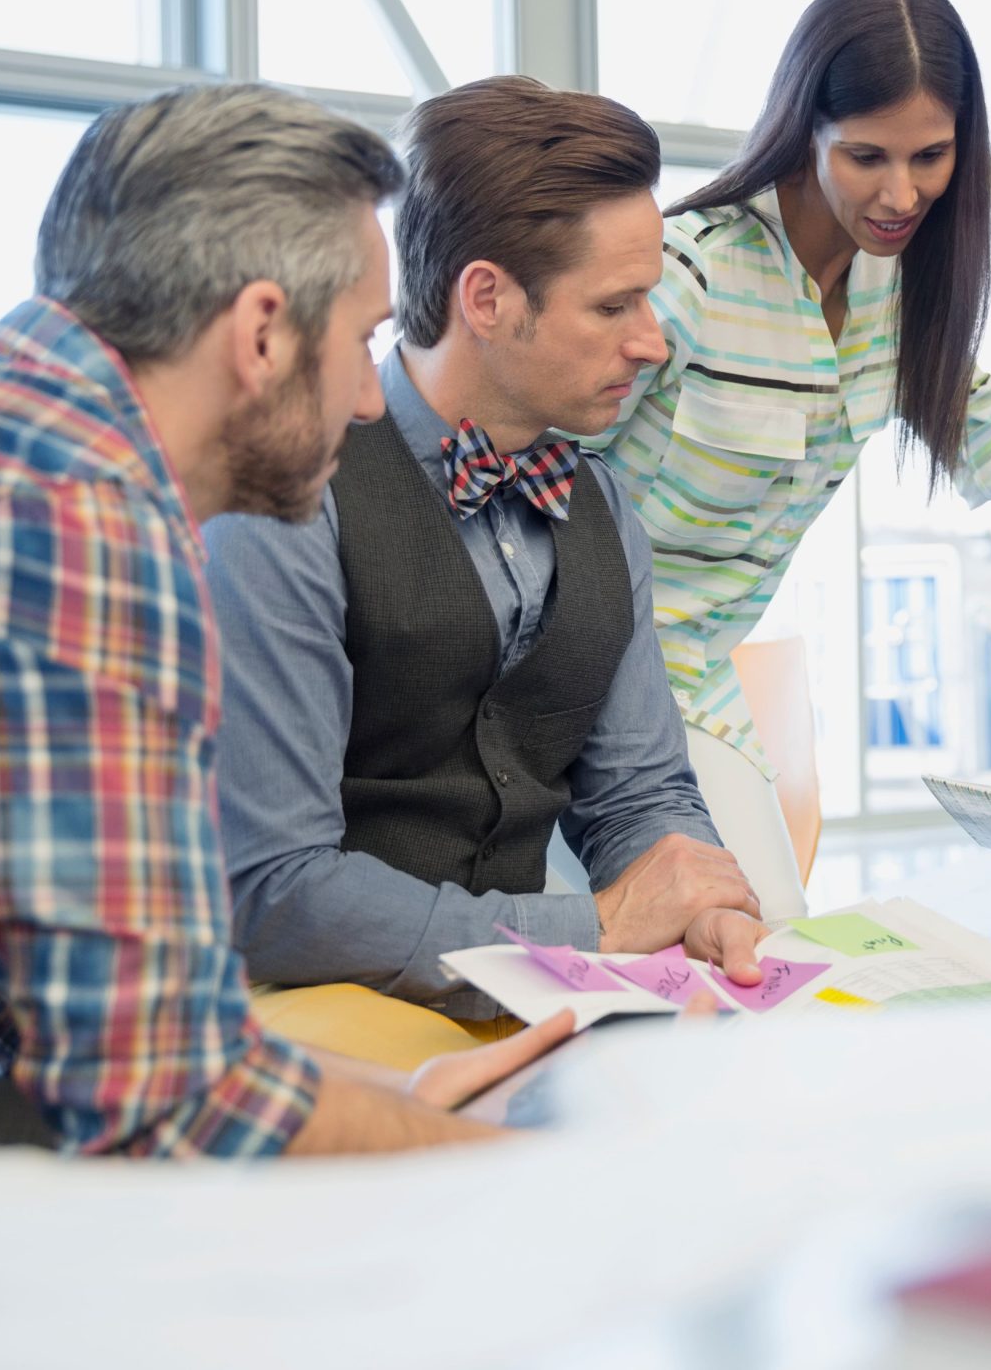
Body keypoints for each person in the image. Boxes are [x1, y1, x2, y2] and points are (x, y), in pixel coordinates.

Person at [0, 85, 569, 1153]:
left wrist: (397, 1104)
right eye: (361, 341)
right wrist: (525, 1166)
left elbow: (84, 1023)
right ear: (262, 333)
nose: (365, 399)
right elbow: (161, 1105)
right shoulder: (69, 522)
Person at [205, 76, 767, 1018]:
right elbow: (277, 892)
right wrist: (593, 929)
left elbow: (639, 792)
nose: (652, 344)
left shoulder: (603, 507)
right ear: (488, 297)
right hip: (318, 1018)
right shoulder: (285, 500)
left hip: (537, 1008)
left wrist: (698, 899)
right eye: (614, 306)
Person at [589, 0, 991, 916]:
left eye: (931, 156)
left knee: (775, 961)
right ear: (805, 129)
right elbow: (532, 467)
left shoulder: (901, 300)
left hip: (698, 687)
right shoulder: (691, 273)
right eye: (866, 156)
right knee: (714, 956)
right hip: (582, 680)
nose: (902, 193)